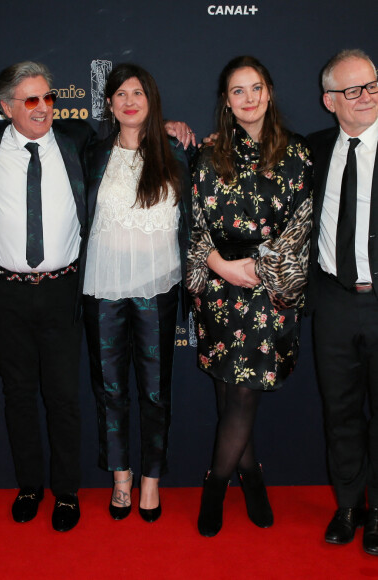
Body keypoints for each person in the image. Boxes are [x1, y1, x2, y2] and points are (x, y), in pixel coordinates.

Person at [0, 61, 93, 533]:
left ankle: (67, 492)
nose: (43, 108)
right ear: (6, 107)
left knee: (63, 397)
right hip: (5, 292)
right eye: (31, 100)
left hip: (63, 291)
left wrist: (173, 126)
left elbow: (135, 136)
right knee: (17, 394)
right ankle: (30, 485)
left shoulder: (80, 140)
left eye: (48, 98)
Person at [186, 55, 313, 537]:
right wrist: (220, 265)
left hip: (268, 291)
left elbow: (301, 224)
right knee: (228, 392)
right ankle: (251, 475)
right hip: (219, 290)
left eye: (255, 87)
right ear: (227, 100)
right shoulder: (209, 155)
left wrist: (258, 268)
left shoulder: (298, 153)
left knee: (241, 393)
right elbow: (194, 224)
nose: (249, 98)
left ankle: (215, 483)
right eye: (238, 90)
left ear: (270, 91)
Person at [82, 63, 193, 523]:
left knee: (154, 390)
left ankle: (151, 479)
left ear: (151, 101)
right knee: (110, 389)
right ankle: (121, 478)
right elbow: (43, 121)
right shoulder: (91, 153)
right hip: (103, 288)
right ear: (108, 104)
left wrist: (174, 129)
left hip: (158, 287)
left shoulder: (176, 151)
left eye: (138, 93)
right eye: (120, 94)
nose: (129, 100)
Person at [307, 49, 378, 556]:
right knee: (341, 411)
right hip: (331, 300)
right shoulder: (312, 150)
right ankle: (350, 504)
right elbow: (257, 152)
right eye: (354, 90)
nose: (368, 96)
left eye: (374, 85)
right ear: (330, 101)